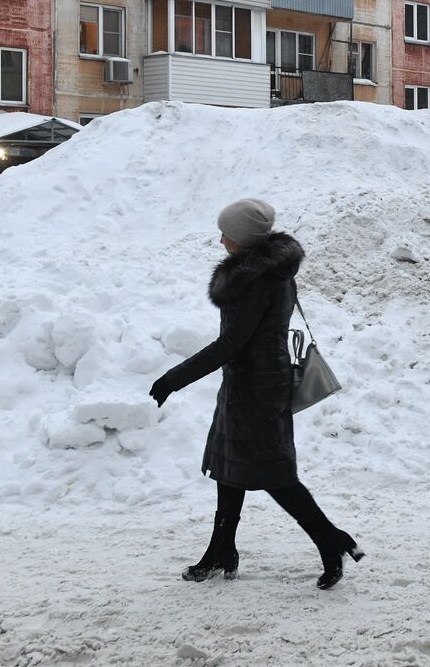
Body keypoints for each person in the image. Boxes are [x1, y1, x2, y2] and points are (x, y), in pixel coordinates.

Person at [149, 198, 363, 590]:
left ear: (242, 238)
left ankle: (331, 541)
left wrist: (171, 380)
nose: (220, 240)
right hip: (256, 382)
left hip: (256, 390)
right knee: (229, 470)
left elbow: (230, 344)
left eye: (226, 233)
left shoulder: (251, 281)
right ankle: (221, 551)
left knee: (275, 475)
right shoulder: (274, 271)